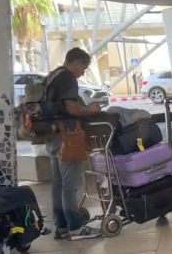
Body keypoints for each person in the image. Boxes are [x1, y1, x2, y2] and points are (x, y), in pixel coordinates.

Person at [45, 48, 102, 240]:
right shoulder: (68, 77)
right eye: (84, 68)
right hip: (67, 136)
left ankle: (61, 226)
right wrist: (90, 110)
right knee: (70, 184)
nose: (83, 72)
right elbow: (73, 108)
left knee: (58, 183)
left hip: (51, 134)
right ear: (77, 62)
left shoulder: (52, 75)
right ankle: (75, 228)